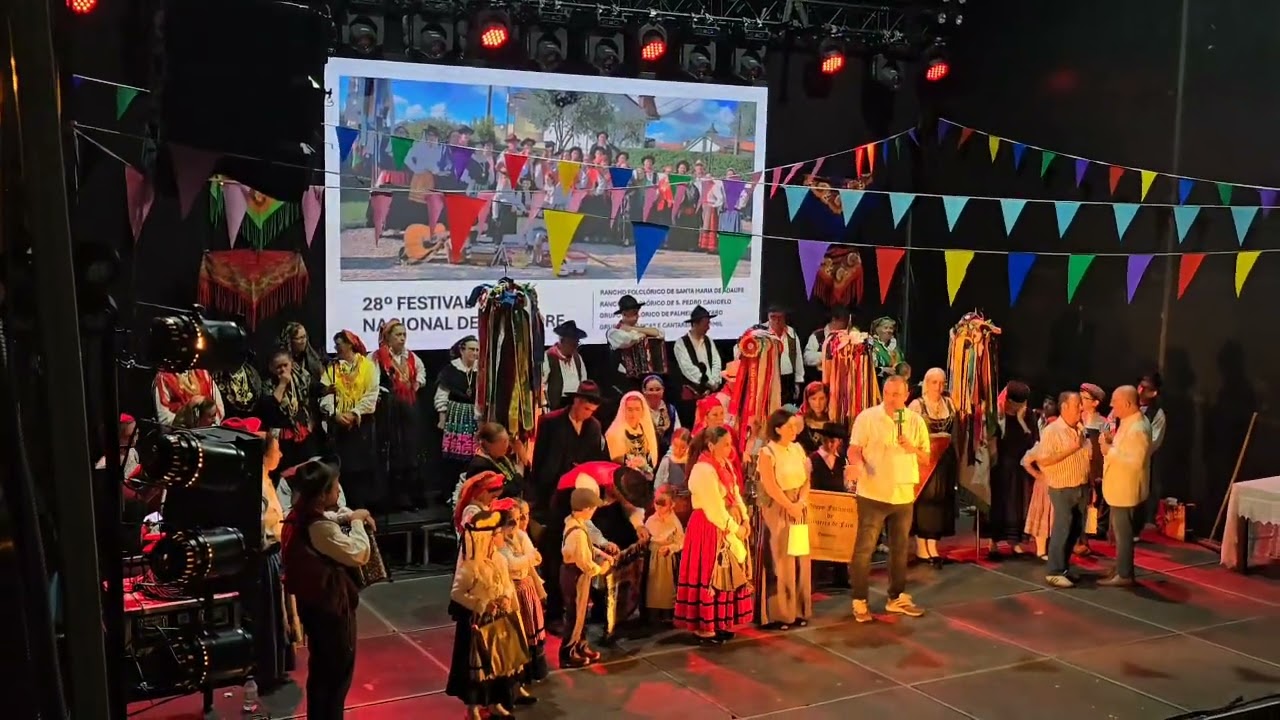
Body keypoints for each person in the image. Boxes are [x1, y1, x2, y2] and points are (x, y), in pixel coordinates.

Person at [280, 459, 375, 720]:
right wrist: (356, 524)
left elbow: (330, 518)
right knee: (335, 675)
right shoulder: (318, 527)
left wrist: (349, 515)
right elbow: (358, 553)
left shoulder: (299, 515)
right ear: (323, 494)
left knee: (322, 673)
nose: (339, 491)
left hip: (315, 605)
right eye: (335, 487)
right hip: (329, 609)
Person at [846, 375, 929, 623]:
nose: (893, 399)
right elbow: (854, 448)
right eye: (889, 393)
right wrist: (857, 465)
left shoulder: (914, 421)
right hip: (873, 492)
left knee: (900, 548)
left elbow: (926, 457)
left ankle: (896, 597)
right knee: (865, 548)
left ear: (906, 395)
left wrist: (911, 447)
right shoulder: (868, 417)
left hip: (903, 493)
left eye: (898, 395)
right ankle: (860, 599)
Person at [222, 417, 294, 691]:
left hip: (272, 556)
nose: (281, 453)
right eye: (277, 448)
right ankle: (265, 671)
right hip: (263, 559)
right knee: (266, 617)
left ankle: (275, 667)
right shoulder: (254, 486)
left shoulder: (264, 479)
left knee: (275, 615)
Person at [447, 509, 534, 718]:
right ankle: (474, 707)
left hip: (499, 621)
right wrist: (481, 604)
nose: (501, 535)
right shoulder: (470, 567)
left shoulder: (500, 560)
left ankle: (496, 702)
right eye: (496, 533)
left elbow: (506, 585)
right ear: (485, 538)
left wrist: (507, 600)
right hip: (477, 625)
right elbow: (457, 593)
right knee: (478, 669)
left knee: (498, 664)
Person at [673, 426, 753, 644]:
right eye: (725, 444)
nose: (730, 449)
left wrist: (745, 518)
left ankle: (721, 622)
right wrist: (735, 528)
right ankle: (705, 627)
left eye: (730, 444)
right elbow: (714, 507)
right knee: (711, 574)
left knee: (726, 575)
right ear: (711, 445)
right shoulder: (703, 470)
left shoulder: (723, 465)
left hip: (725, 524)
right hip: (709, 528)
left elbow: (735, 494)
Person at [1022, 391, 1093, 589]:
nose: (1081, 408)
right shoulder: (1052, 431)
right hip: (1062, 487)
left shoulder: (1080, 428)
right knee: (1063, 526)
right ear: (1065, 407)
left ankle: (1063, 567)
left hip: (1081, 485)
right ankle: (1053, 570)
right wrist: (1072, 448)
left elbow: (1086, 456)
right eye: (1077, 404)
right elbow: (1043, 459)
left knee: (1075, 529)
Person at [754, 409, 813, 630]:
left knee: (799, 558)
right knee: (781, 560)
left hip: (799, 508)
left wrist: (801, 504)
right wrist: (789, 505)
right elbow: (770, 485)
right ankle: (780, 613)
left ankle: (799, 609)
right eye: (789, 426)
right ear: (778, 429)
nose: (793, 429)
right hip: (778, 508)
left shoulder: (797, 449)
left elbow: (807, 479)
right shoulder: (768, 452)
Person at [320, 330, 381, 511]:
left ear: (349, 344)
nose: (336, 348)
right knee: (344, 468)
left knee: (362, 469)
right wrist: (335, 414)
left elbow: (372, 394)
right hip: (340, 426)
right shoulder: (332, 370)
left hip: (362, 425)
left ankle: (361, 508)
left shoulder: (368, 366)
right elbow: (325, 396)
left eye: (339, 344)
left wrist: (354, 413)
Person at [1099, 385, 1152, 587]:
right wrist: (1115, 442)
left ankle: (1124, 573)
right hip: (1119, 488)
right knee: (1119, 533)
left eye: (1115, 402)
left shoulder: (1138, 427)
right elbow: (1127, 448)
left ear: (1128, 404)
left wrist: (1109, 450)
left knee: (1124, 534)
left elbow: (1136, 460)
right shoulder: (1130, 422)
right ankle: (1120, 567)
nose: (1112, 406)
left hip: (1126, 489)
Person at [494, 498, 549, 687]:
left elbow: (534, 558)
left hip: (526, 586)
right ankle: (519, 676)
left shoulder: (521, 536)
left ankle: (534, 670)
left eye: (519, 518)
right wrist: (528, 558)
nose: (517, 523)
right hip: (514, 589)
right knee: (519, 633)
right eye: (513, 519)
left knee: (532, 627)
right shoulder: (500, 542)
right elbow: (512, 564)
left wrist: (526, 559)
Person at [373, 320, 426, 510]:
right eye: (398, 335)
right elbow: (373, 381)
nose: (402, 338)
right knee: (393, 451)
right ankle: (392, 498)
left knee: (411, 450)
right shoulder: (378, 357)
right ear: (388, 337)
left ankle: (410, 497)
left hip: (409, 408)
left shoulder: (411, 357)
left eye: (404, 334)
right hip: (389, 410)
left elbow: (421, 373)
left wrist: (417, 383)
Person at [907, 368, 958, 565]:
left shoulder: (949, 403)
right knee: (926, 501)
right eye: (934, 382)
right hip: (925, 461)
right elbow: (908, 435)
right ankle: (922, 547)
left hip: (945, 460)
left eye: (941, 382)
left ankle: (933, 545)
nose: (938, 386)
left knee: (941, 500)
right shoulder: (916, 406)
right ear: (926, 384)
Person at [559, 488, 612, 668]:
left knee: (581, 614)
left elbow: (586, 547)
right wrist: (602, 568)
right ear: (585, 508)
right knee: (575, 614)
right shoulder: (577, 532)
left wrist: (601, 553)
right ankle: (568, 652)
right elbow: (585, 563)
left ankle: (581, 645)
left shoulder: (576, 524)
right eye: (592, 508)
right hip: (575, 575)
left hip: (578, 574)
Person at [987, 381, 1037, 558]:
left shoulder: (1028, 415)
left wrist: (1021, 422)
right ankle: (993, 542)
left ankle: (1014, 542)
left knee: (1016, 504)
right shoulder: (998, 413)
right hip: (1000, 466)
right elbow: (994, 438)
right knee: (998, 503)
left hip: (1020, 467)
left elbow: (1033, 443)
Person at [261, 347, 319, 471]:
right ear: (272, 368)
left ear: (291, 364)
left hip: (302, 432)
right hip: (282, 439)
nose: (283, 369)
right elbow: (270, 409)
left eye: (285, 365)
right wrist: (282, 384)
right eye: (278, 367)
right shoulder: (267, 385)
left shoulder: (302, 377)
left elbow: (315, 391)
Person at [436, 335, 481, 486]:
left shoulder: (480, 370)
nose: (475, 353)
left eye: (477, 350)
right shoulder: (451, 370)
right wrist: (442, 418)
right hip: (456, 416)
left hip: (474, 416)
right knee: (454, 456)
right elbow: (442, 395)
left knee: (473, 455)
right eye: (471, 349)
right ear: (462, 350)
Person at [671, 305, 724, 427]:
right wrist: (707, 382)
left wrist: (715, 380)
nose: (708, 327)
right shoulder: (681, 344)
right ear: (695, 324)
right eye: (705, 324)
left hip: (709, 393)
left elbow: (716, 362)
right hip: (691, 396)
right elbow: (688, 369)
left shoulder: (708, 341)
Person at [740, 305, 803, 404]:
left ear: (784, 317)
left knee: (786, 409)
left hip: (787, 379)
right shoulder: (759, 332)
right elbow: (741, 349)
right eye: (773, 317)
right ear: (768, 317)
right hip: (768, 378)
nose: (777, 321)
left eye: (780, 317)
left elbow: (798, 357)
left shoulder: (791, 333)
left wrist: (798, 381)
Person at [606, 295, 665, 393]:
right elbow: (628, 340)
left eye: (637, 313)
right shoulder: (614, 332)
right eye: (633, 313)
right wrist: (639, 333)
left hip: (643, 378)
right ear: (624, 314)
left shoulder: (639, 328)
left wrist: (633, 329)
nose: (637, 316)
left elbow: (660, 333)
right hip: (624, 380)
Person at [644, 486, 685, 623]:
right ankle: (652, 613)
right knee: (652, 587)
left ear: (671, 505)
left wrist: (671, 547)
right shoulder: (651, 520)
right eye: (657, 504)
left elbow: (681, 541)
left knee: (666, 587)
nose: (659, 508)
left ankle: (667, 613)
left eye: (663, 505)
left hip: (666, 558)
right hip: (652, 557)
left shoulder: (674, 522)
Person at [1134, 372, 1167, 540]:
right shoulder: (1129, 405)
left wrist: (1135, 450)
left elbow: (1154, 441)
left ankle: (1136, 528)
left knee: (1139, 492)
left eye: (1145, 388)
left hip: (1141, 460)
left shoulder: (1157, 414)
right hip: (1121, 457)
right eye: (1139, 385)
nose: (1139, 390)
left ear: (1153, 392)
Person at [1078, 382, 1109, 554]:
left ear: (1095, 402)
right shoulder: (1076, 418)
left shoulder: (1103, 422)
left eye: (1085, 398)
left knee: (1091, 502)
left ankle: (1086, 538)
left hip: (1095, 466)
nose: (1081, 401)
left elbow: (1107, 444)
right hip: (1078, 465)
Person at [605, 390, 660, 479]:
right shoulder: (615, 432)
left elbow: (651, 455)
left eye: (637, 409)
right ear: (624, 410)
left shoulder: (646, 430)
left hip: (644, 476)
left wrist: (643, 464)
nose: (633, 414)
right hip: (623, 477)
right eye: (629, 409)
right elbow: (615, 459)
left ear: (642, 410)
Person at [468, 423, 525, 500]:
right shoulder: (480, 466)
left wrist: (522, 457)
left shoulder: (501, 458)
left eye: (507, 440)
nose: (507, 445)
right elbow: (501, 493)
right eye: (504, 441)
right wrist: (519, 475)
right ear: (489, 444)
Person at [542, 320, 589, 411]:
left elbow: (583, 381)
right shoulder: (548, 357)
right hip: (555, 406)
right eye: (572, 343)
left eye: (576, 343)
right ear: (562, 341)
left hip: (573, 406)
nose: (575, 347)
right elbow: (541, 384)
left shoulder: (577, 358)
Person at [154, 367, 225, 426]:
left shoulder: (203, 374)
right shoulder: (163, 378)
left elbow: (219, 408)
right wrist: (186, 412)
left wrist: (209, 424)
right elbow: (164, 420)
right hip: (181, 435)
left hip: (209, 433)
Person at [641, 375, 681, 458]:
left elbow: (677, 433)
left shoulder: (670, 410)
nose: (654, 393)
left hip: (668, 454)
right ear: (644, 391)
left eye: (658, 389)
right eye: (651, 390)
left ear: (663, 391)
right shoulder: (639, 410)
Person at [803, 306, 852, 371]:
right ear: (834, 320)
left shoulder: (847, 336)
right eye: (843, 321)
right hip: (820, 377)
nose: (845, 325)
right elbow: (807, 357)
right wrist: (825, 355)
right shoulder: (818, 335)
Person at [797, 382, 833, 454]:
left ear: (827, 398)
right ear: (807, 400)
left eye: (822, 398)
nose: (817, 403)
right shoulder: (799, 420)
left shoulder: (834, 419)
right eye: (813, 399)